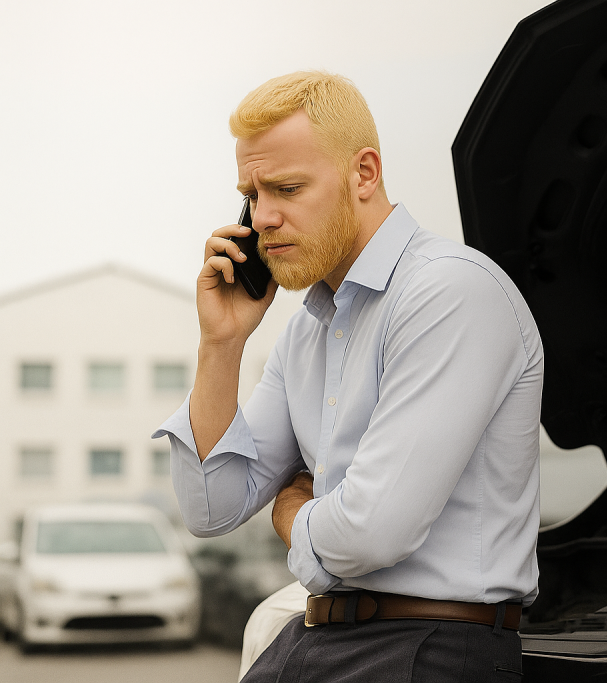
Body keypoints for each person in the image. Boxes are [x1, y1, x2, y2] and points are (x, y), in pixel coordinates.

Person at [153, 71, 544, 682]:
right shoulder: (306, 331)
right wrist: (220, 344)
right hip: (319, 639)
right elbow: (212, 507)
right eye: (251, 195)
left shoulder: (450, 292)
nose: (263, 219)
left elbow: (369, 534)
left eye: (286, 188)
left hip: (428, 649)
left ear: (364, 174)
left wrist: (289, 517)